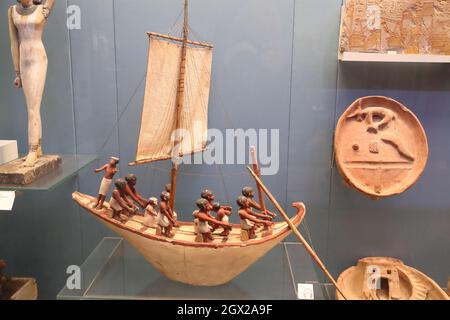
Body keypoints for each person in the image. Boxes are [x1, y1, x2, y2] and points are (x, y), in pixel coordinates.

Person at [8, 0, 56, 166]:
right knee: (31, 106)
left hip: (37, 59)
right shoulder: (12, 11)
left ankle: (32, 150)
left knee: (33, 108)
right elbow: (14, 42)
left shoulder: (41, 10)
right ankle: (38, 147)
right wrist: (17, 73)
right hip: (23, 60)